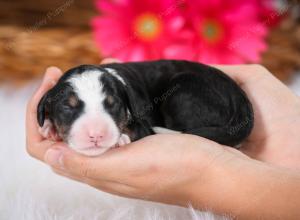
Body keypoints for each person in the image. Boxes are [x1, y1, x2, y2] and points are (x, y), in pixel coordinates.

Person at [26, 59, 300, 219]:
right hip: (218, 110)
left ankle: (196, 130)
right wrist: (53, 122)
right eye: (70, 110)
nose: (96, 131)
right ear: (46, 109)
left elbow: (140, 123)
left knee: (176, 96)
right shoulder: (61, 99)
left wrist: (133, 133)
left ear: (125, 102)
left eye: (110, 107)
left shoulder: (127, 92)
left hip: (205, 99)